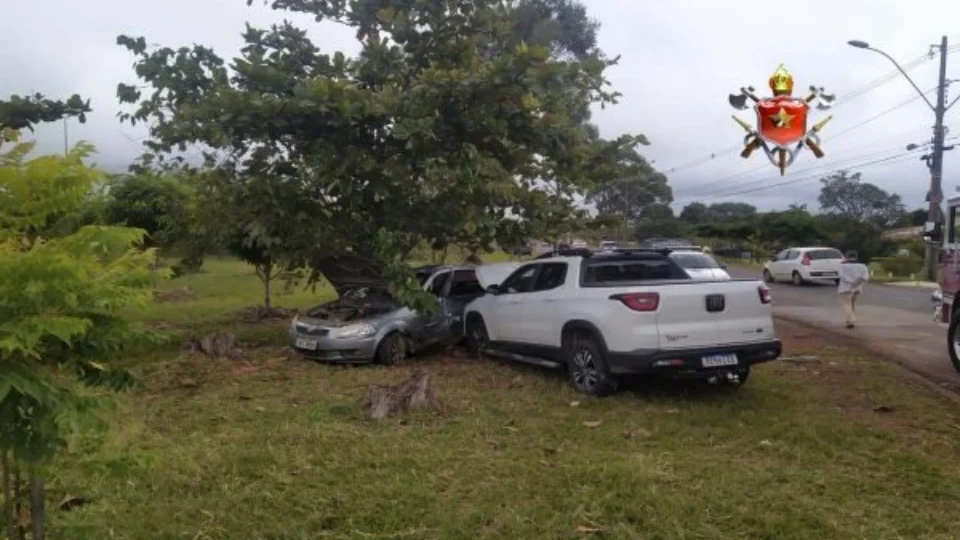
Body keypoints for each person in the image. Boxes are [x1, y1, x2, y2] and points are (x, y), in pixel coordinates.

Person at [838, 250, 870, 328]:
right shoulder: (862, 265)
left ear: (847, 257)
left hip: (846, 288)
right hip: (857, 287)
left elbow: (842, 276)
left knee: (847, 304)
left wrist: (851, 282)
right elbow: (866, 276)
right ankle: (850, 319)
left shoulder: (843, 265)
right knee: (852, 303)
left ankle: (851, 320)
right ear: (856, 256)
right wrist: (857, 282)